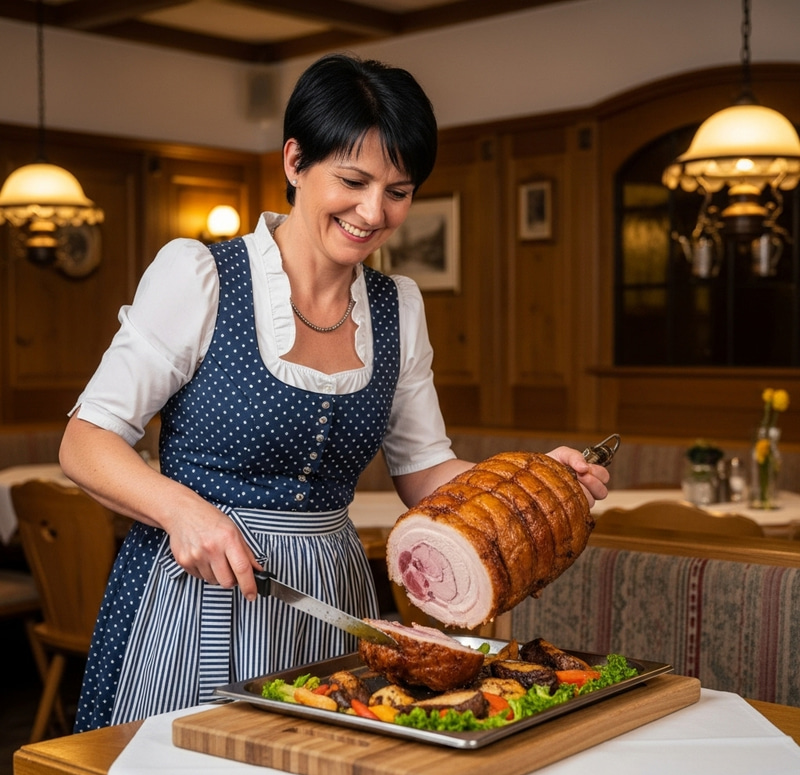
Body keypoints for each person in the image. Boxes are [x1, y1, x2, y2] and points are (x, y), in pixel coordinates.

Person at [59, 53, 609, 732]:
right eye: (352, 180)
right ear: (295, 162)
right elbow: (85, 440)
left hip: (331, 596)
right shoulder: (199, 275)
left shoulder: (397, 306)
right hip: (198, 591)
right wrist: (182, 512)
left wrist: (530, 483)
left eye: (399, 191)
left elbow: (426, 475)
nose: (373, 211)